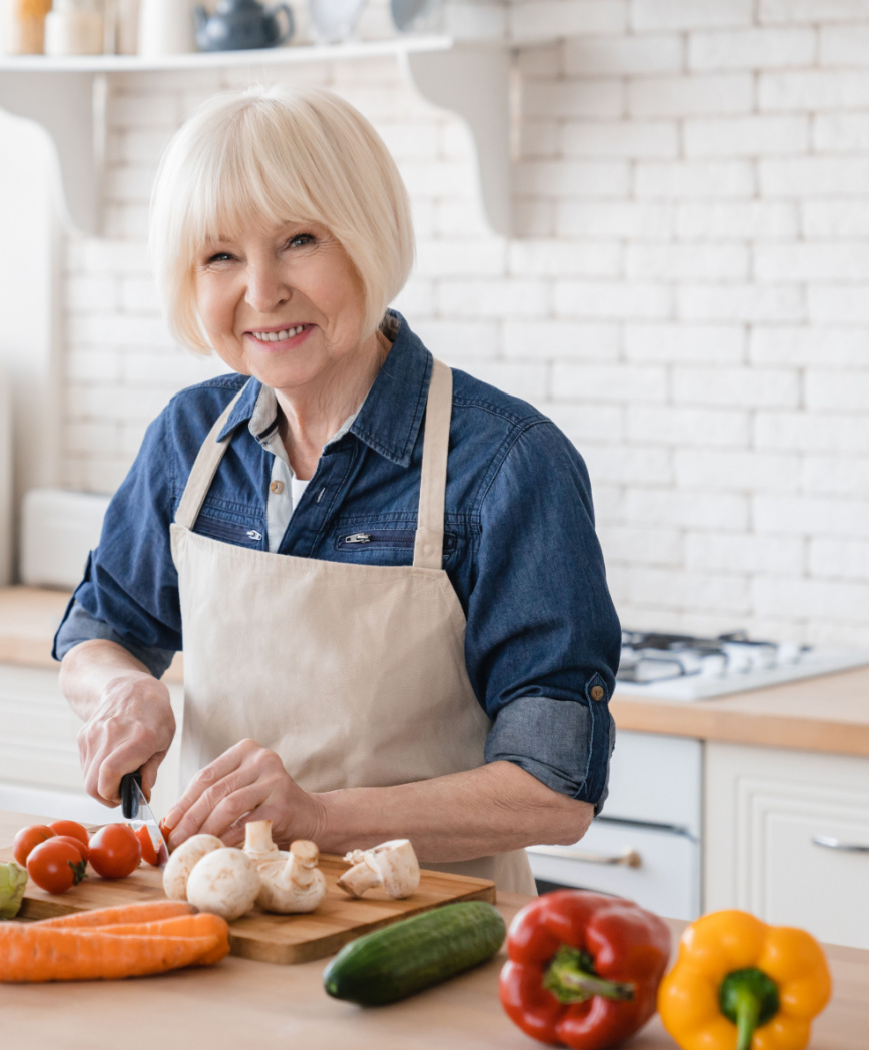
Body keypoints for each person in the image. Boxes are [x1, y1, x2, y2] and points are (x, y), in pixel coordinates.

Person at [53, 84, 618, 893]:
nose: (261, 290)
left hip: (432, 952)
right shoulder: (191, 440)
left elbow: (554, 790)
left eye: (299, 240)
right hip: (226, 932)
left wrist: (318, 819)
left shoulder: (506, 464)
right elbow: (97, 630)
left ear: (366, 238)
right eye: (220, 256)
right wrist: (124, 689)